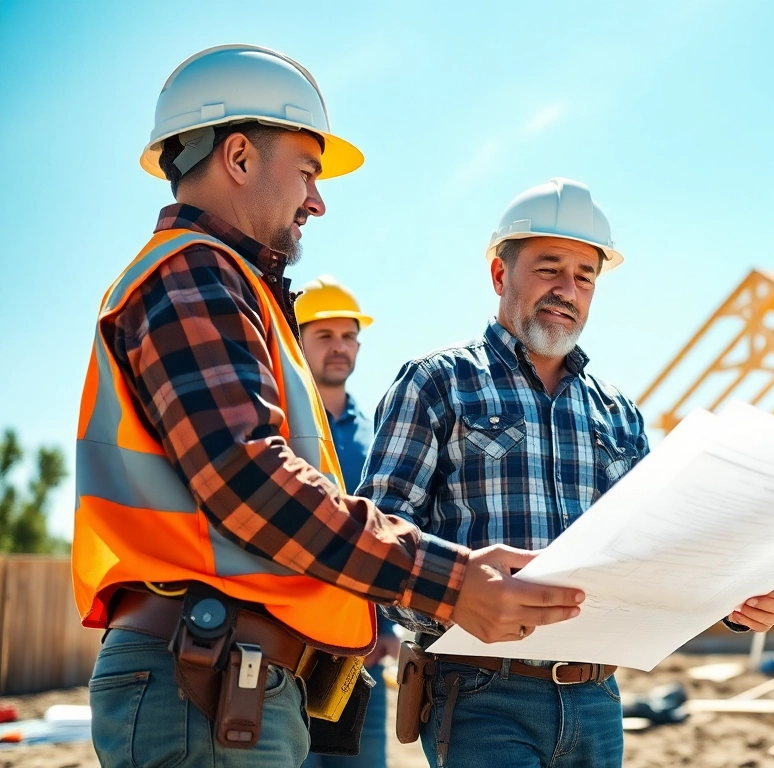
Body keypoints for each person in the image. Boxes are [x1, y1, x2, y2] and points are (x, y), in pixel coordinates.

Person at [72, 46, 581, 767]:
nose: (317, 200)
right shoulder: (192, 273)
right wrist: (452, 581)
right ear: (240, 156)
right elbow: (249, 480)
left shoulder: (231, 289)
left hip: (222, 673)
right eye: (308, 172)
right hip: (205, 675)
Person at [360, 177, 774, 768]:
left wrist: (736, 595)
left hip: (597, 700)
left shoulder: (616, 412)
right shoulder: (436, 383)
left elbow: (661, 549)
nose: (568, 290)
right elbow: (381, 539)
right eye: (548, 269)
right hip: (481, 695)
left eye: (584, 276)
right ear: (499, 276)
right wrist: (458, 597)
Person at [295, 277, 397, 767]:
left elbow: (390, 530)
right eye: (324, 336)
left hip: (358, 658)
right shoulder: (280, 424)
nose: (340, 348)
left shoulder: (380, 432)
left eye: (348, 336)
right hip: (286, 652)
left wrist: (390, 632)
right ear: (297, 340)